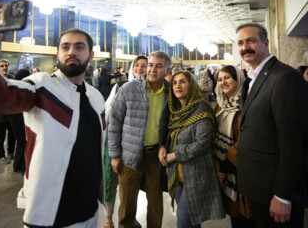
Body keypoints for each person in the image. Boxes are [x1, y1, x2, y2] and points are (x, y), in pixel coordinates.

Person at [0, 0, 106, 228]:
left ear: (91, 55)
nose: (71, 52)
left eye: (79, 46)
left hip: (90, 211)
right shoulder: (42, 86)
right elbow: (1, 96)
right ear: (57, 54)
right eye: (65, 47)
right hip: (50, 215)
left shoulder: (96, 98)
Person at [236, 23, 308, 228]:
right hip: (258, 187)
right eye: (240, 43)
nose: (244, 47)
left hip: (275, 192)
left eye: (251, 41)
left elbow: (293, 143)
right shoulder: (251, 79)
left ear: (265, 43)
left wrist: (283, 196)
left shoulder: (285, 78)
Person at [109, 51, 170, 228]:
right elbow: (114, 123)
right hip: (129, 156)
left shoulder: (169, 93)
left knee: (155, 205)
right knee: (127, 206)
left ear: (167, 69)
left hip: (155, 157)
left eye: (159, 66)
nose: (152, 69)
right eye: (151, 65)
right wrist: (115, 155)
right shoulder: (129, 89)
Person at [158, 71, 225, 228]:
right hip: (178, 176)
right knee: (193, 222)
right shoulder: (176, 112)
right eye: (174, 83)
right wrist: (163, 147)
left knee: (183, 220)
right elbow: (172, 136)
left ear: (191, 85)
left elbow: (202, 143)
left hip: (196, 175)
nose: (177, 86)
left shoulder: (202, 109)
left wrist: (175, 155)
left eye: (182, 82)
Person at [103, 55, 148, 228]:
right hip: (115, 140)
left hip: (134, 145)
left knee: (128, 185)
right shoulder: (120, 86)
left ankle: (130, 217)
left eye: (144, 66)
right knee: (111, 180)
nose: (140, 69)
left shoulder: (150, 89)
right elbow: (109, 113)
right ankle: (108, 220)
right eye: (137, 65)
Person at [213, 65, 255, 228]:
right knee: (235, 217)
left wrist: (224, 167)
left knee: (246, 217)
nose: (223, 82)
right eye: (220, 79)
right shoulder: (220, 105)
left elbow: (247, 140)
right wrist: (216, 164)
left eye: (228, 78)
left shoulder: (246, 105)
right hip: (225, 171)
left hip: (243, 173)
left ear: (238, 79)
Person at [0, 59, 16, 164]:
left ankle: (11, 153)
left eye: (6, 65)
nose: (4, 67)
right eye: (2, 66)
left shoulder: (13, 79)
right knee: (0, 135)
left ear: (9, 67)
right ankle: (0, 155)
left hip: (12, 112)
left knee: (12, 134)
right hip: (0, 113)